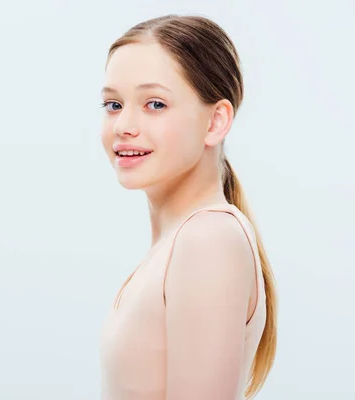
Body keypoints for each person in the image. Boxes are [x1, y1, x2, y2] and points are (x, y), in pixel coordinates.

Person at [98, 15, 278, 400]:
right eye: (113, 104)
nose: (123, 125)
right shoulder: (182, 242)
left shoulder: (208, 240)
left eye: (155, 104)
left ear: (216, 121)